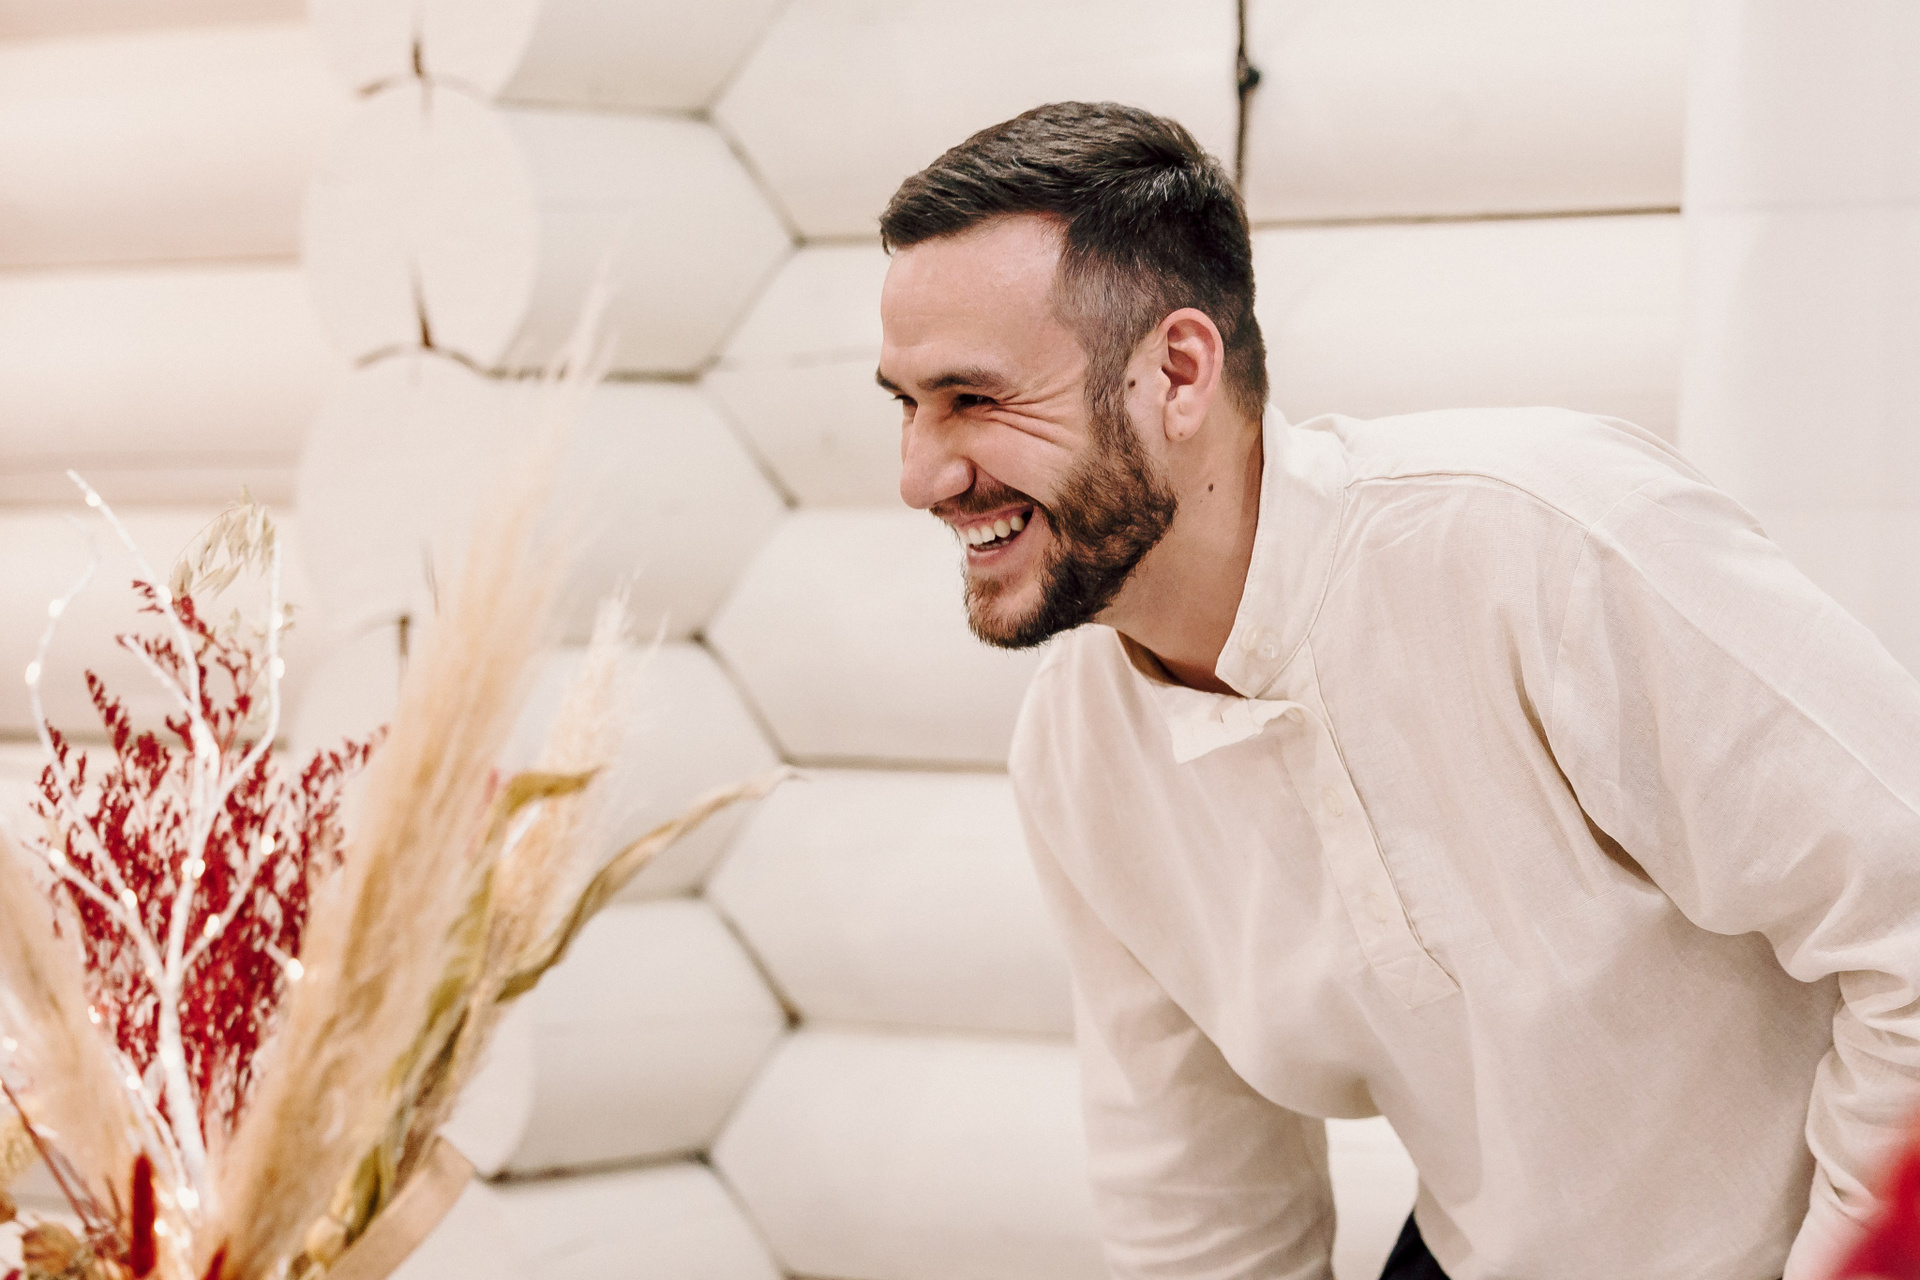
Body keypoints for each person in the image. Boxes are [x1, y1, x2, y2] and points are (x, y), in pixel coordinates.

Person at [874, 100, 1920, 1280]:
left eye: (973, 397)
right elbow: (1200, 1203)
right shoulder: (1078, 747)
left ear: (1177, 372)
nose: (920, 475)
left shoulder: (1543, 538)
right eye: (905, 403)